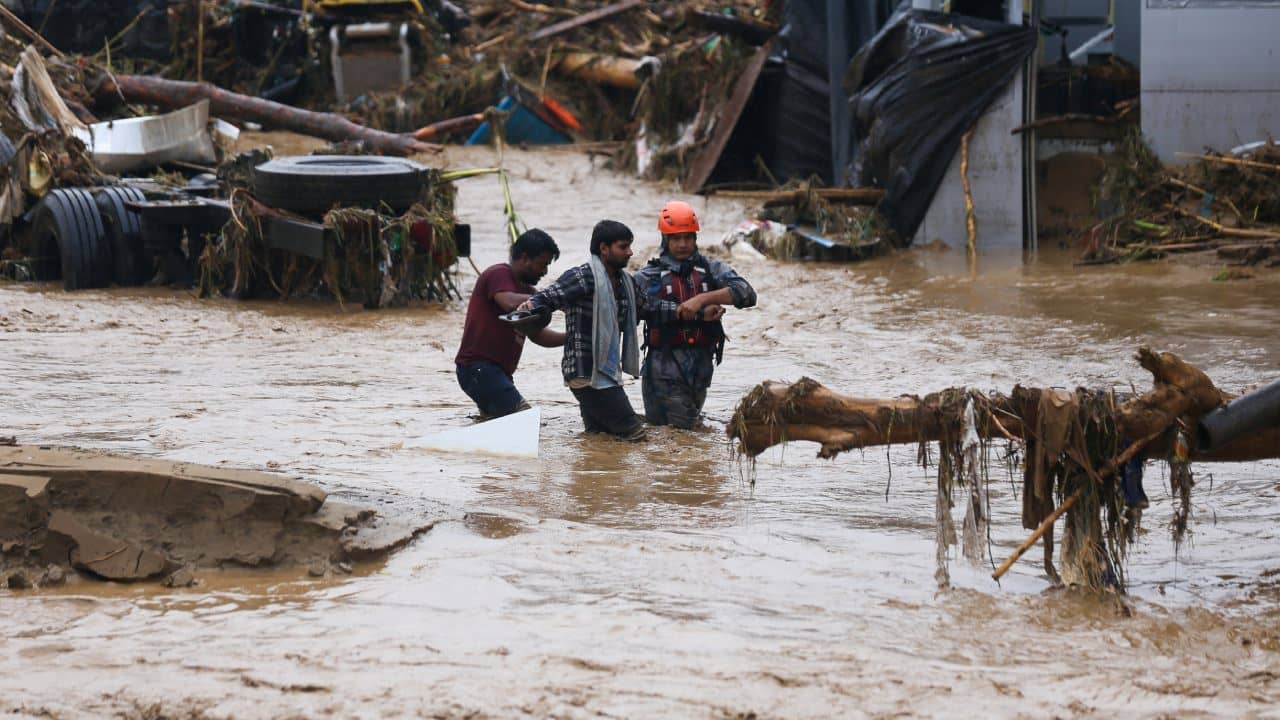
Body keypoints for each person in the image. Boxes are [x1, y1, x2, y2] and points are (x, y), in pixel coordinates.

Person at [520, 220, 695, 440]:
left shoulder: (625, 284)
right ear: (604, 248)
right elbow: (546, 298)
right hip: (586, 373)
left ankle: (594, 473)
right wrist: (529, 308)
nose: (630, 252)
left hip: (606, 372)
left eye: (630, 246)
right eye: (623, 247)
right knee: (635, 436)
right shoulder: (583, 277)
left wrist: (687, 310)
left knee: (599, 439)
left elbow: (651, 307)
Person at [634, 200, 756, 429]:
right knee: (680, 435)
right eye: (676, 238)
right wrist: (694, 314)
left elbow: (747, 294)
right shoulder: (649, 275)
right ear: (665, 240)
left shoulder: (712, 270)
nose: (682, 244)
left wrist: (703, 299)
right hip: (662, 370)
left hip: (700, 370)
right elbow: (633, 310)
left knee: (674, 438)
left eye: (688, 237)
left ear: (695, 238)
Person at [454, 228, 564, 418]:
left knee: (496, 425)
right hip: (479, 368)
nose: (545, 271)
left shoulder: (528, 291)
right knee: (524, 418)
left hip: (495, 374)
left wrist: (571, 336)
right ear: (524, 258)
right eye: (542, 264)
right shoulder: (499, 273)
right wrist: (549, 298)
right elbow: (508, 302)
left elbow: (539, 336)